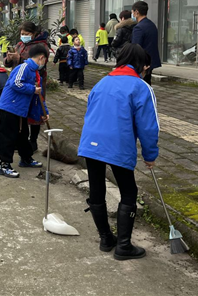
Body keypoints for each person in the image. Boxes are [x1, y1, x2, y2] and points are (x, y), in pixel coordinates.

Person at [79, 43, 158, 261]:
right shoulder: (141, 87)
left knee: (96, 189)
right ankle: (123, 246)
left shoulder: (102, 82)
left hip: (91, 143)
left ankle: (106, 238)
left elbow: (90, 111)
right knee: (129, 191)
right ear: (142, 64)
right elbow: (148, 127)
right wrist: (150, 155)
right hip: (117, 144)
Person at [0, 44, 48, 178]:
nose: (44, 63)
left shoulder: (36, 74)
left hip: (21, 110)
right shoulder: (24, 67)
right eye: (45, 60)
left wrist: (44, 113)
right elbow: (16, 83)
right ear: (41, 58)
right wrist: (32, 89)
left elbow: (39, 97)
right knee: (8, 136)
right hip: (9, 107)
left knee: (23, 134)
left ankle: (26, 158)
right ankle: (4, 165)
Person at [4, 21, 50, 155]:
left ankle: (33, 141)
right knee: (20, 110)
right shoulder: (20, 45)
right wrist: (9, 59)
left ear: (34, 33)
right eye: (22, 33)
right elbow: (8, 63)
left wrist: (19, 58)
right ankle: (21, 140)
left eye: (26, 33)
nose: (23, 36)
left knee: (36, 110)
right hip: (20, 83)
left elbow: (39, 64)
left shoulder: (41, 46)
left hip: (35, 81)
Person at [131, 1, 162, 85]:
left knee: (140, 85)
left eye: (133, 12)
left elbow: (136, 48)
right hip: (150, 61)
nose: (132, 15)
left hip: (142, 63)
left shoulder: (138, 28)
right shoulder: (152, 25)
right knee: (147, 83)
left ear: (137, 12)